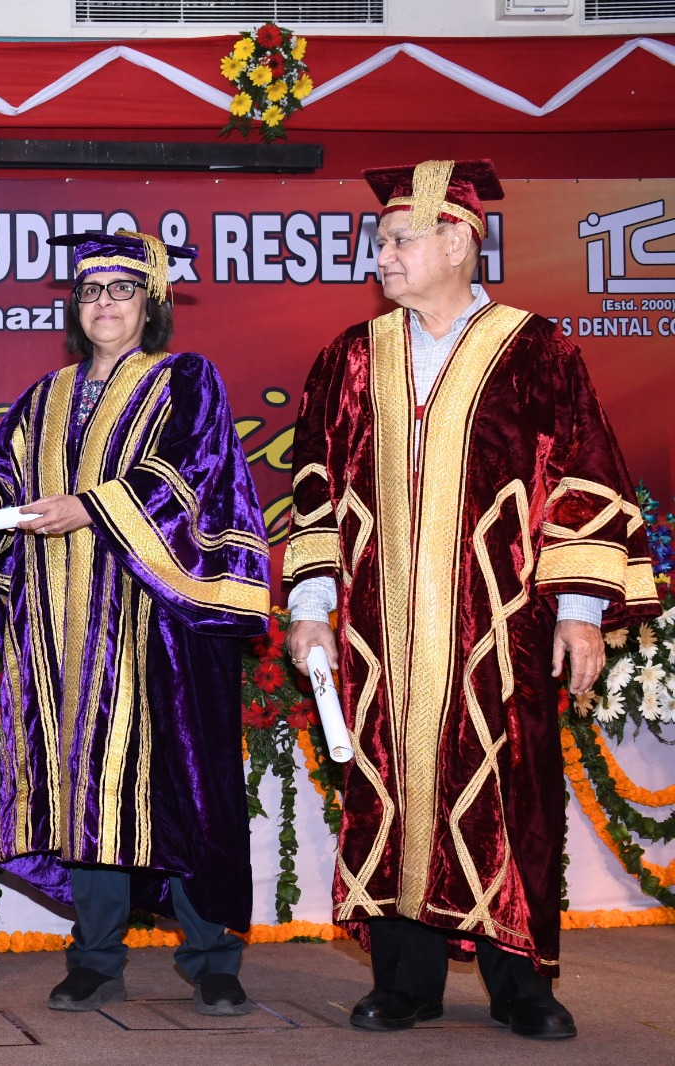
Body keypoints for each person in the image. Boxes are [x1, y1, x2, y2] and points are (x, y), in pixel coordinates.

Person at [285, 159, 659, 1040]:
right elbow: (313, 489)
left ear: (459, 242)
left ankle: (522, 985)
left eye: (399, 239)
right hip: (379, 633)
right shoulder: (349, 358)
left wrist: (580, 613)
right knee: (389, 786)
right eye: (379, 241)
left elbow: (584, 480)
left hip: (498, 628)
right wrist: (309, 606)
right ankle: (404, 982)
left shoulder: (537, 351)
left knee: (508, 791)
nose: (381, 256)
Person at [0, 228, 270, 1016]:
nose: (104, 304)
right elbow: (12, 486)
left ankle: (211, 957)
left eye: (122, 290)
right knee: (86, 787)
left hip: (158, 630)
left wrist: (91, 508)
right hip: (65, 631)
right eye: (90, 291)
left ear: (151, 303)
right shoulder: (43, 398)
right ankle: (95, 957)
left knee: (178, 786)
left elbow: (193, 476)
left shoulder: (183, 379)